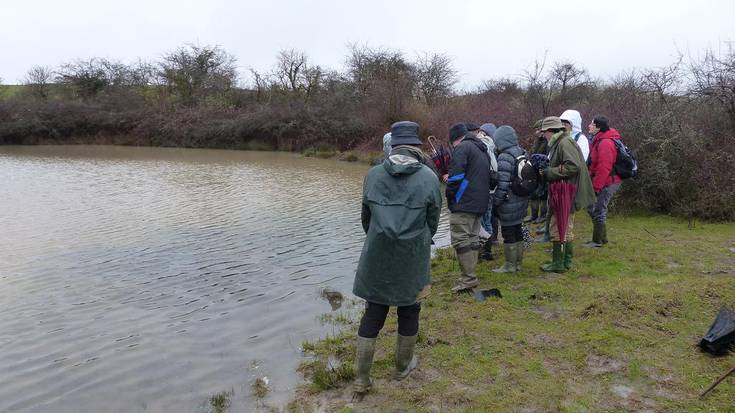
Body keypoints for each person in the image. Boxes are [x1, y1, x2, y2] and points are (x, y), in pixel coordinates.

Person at [352, 121, 442, 398]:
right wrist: (416, 241)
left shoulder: (373, 175)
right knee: (409, 309)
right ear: (416, 146)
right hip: (412, 254)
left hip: (377, 253)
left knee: (374, 312)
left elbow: (366, 219)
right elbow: (433, 221)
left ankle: (362, 379)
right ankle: (403, 367)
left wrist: (380, 238)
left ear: (392, 146)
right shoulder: (429, 177)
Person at [538, 116, 595, 273]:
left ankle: (559, 263)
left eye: (544, 132)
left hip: (567, 192)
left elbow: (573, 166)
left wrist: (550, 172)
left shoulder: (564, 142)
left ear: (551, 131)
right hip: (567, 190)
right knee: (565, 226)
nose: (543, 135)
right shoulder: (562, 141)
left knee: (559, 226)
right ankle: (566, 262)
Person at [444, 123, 491, 292]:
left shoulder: (462, 148)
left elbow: (456, 177)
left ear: (455, 140)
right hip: (480, 202)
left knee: (460, 240)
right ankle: (469, 276)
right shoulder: (481, 148)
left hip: (464, 202)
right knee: (472, 238)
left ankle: (468, 279)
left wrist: (450, 194)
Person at [491, 126, 530, 273]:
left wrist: (496, 202)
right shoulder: (522, 151)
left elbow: (502, 184)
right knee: (517, 229)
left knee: (508, 233)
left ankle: (509, 265)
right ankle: (518, 263)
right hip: (521, 198)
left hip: (509, 201)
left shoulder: (504, 156)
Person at [584, 115, 623, 248]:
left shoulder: (605, 143)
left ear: (598, 127)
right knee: (594, 208)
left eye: (592, 124)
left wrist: (596, 187)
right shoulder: (598, 139)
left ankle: (597, 241)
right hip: (604, 180)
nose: (589, 126)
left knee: (599, 209)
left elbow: (604, 167)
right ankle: (602, 238)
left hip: (609, 181)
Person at [477, 122, 498, 261]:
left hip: (482, 189)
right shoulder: (493, 147)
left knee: (481, 221)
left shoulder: (480, 147)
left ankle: (483, 251)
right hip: (492, 189)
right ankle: (488, 251)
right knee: (489, 219)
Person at [527, 119, 548, 224]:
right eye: (536, 129)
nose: (536, 132)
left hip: (543, 170)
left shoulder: (548, 141)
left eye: (538, 129)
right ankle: (534, 216)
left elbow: (546, 155)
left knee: (544, 194)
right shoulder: (537, 140)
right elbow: (532, 152)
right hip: (534, 169)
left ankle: (543, 216)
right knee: (534, 193)